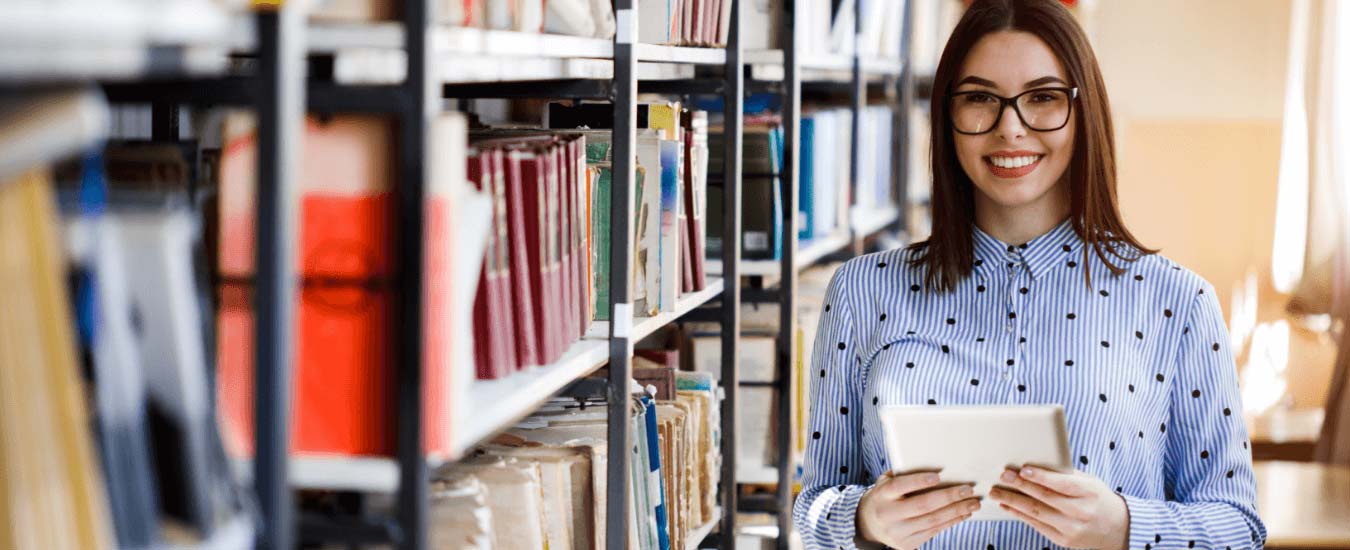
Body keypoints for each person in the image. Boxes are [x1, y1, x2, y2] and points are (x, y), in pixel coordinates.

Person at [791, 1, 1268, 549]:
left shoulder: (1178, 302)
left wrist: (1125, 528)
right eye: (979, 99)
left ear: (1083, 111)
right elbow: (813, 506)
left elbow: (1239, 529)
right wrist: (864, 519)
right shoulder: (861, 291)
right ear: (947, 116)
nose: (1009, 128)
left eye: (1042, 98)